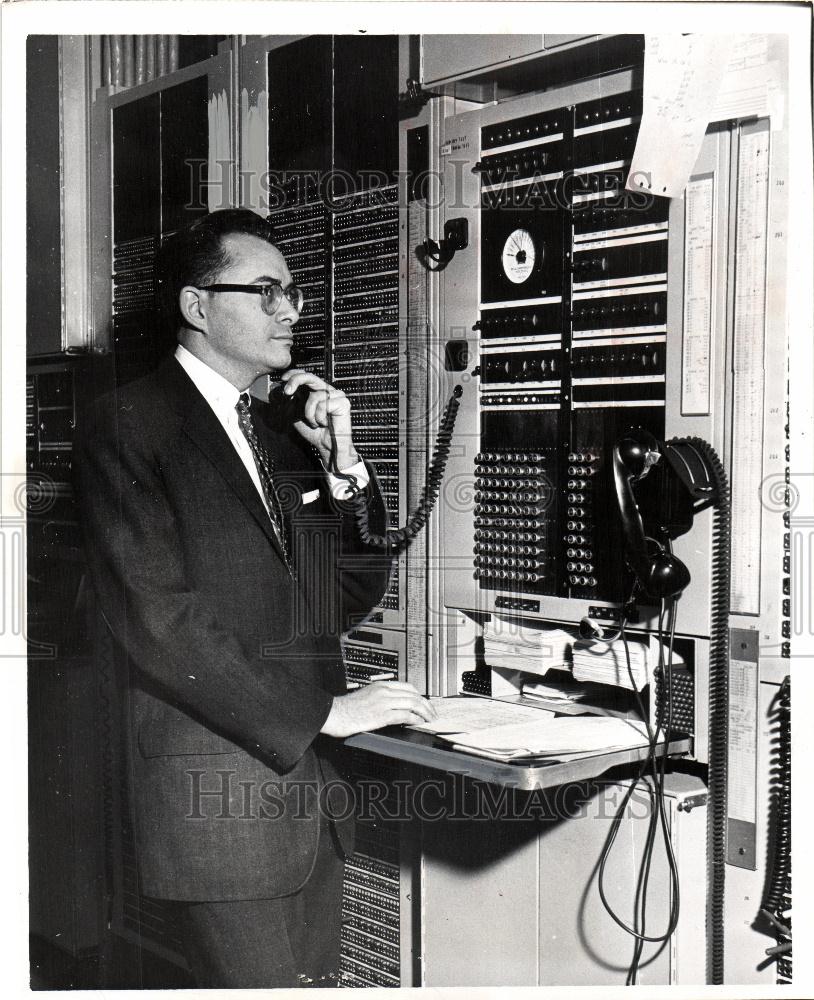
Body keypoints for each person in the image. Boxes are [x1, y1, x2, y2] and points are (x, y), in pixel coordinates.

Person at [73, 208, 437, 988]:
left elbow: (340, 598)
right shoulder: (129, 424)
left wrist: (343, 467)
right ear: (197, 306)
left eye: (294, 292)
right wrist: (327, 714)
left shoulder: (276, 431)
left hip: (313, 799)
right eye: (267, 291)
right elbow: (157, 618)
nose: (292, 311)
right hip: (223, 805)